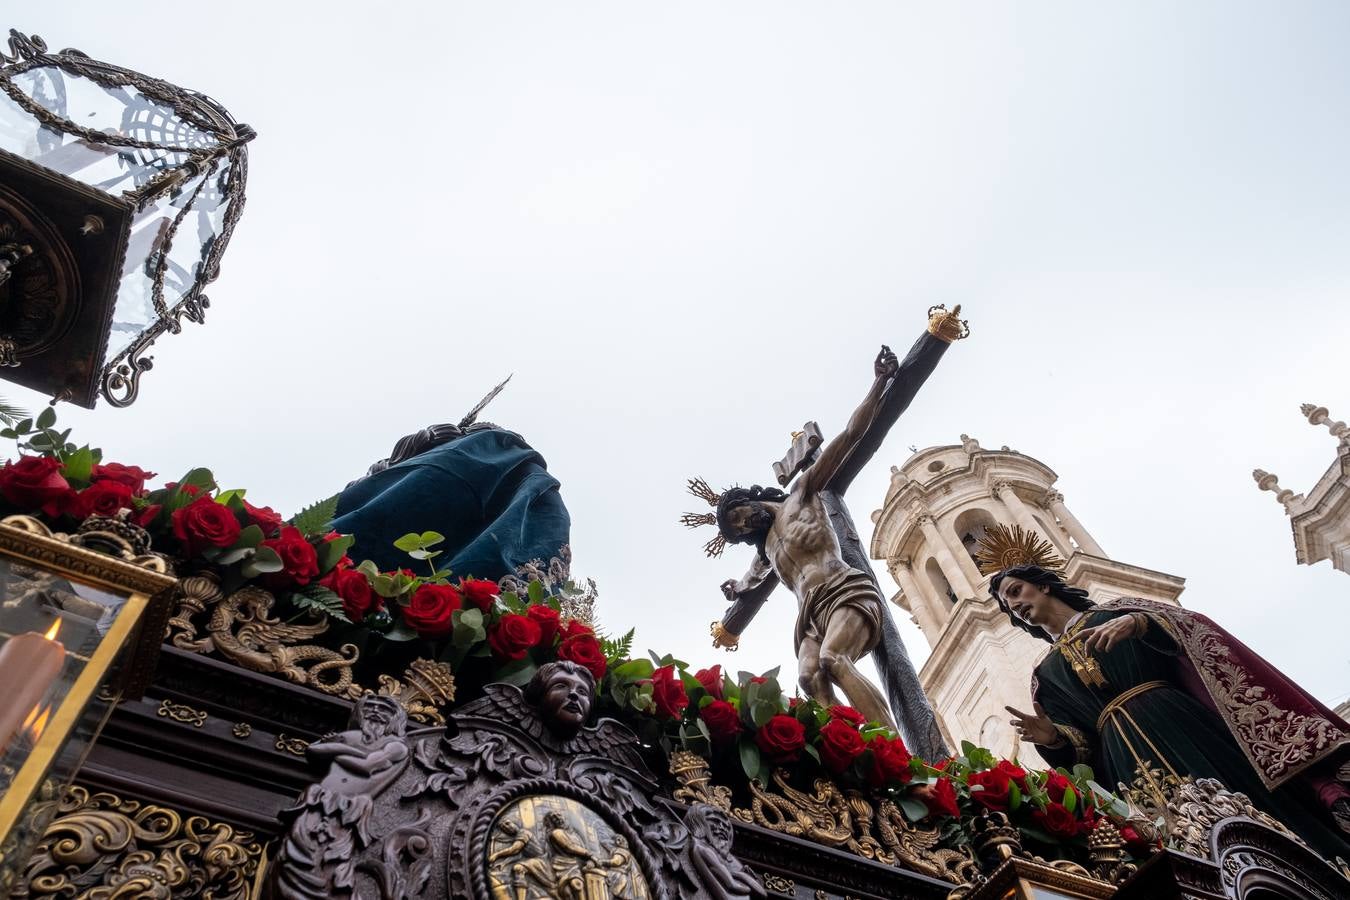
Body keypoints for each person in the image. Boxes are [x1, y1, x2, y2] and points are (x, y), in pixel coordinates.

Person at [995, 563, 1350, 860]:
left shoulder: (1116, 613)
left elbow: (1194, 640)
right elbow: (1083, 746)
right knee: (1176, 841)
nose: (1014, 606)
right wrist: (1054, 739)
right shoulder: (1045, 673)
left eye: (1015, 591)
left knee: (1249, 806)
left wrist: (1141, 623)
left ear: (1043, 586)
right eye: (1006, 605)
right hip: (1124, 762)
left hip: (1184, 727)